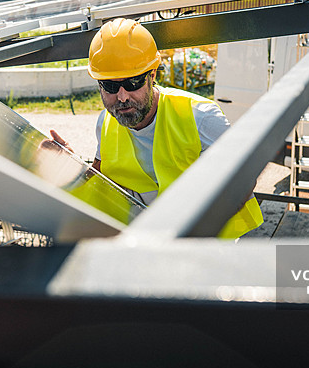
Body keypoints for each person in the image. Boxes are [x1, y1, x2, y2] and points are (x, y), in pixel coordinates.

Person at [55, 17, 263, 238]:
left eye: (133, 82)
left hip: (212, 246)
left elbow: (243, 181)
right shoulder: (105, 123)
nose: (122, 96)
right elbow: (102, 183)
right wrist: (70, 163)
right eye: (110, 86)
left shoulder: (201, 117)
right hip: (151, 245)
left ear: (152, 75)